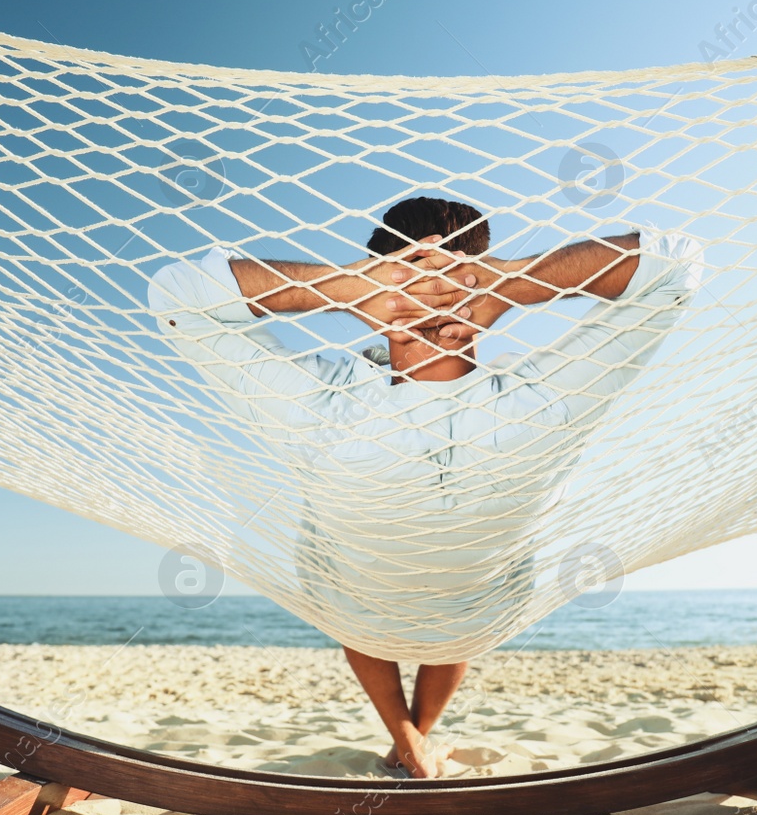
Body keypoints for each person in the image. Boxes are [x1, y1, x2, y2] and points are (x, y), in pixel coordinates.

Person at [148, 196, 701, 777]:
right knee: (434, 606)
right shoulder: (542, 405)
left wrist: (350, 291)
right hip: (473, 610)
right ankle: (415, 734)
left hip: (362, 602)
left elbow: (179, 298)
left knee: (352, 582)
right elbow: (675, 267)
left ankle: (407, 734)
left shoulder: (318, 408)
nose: (430, 290)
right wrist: (505, 286)